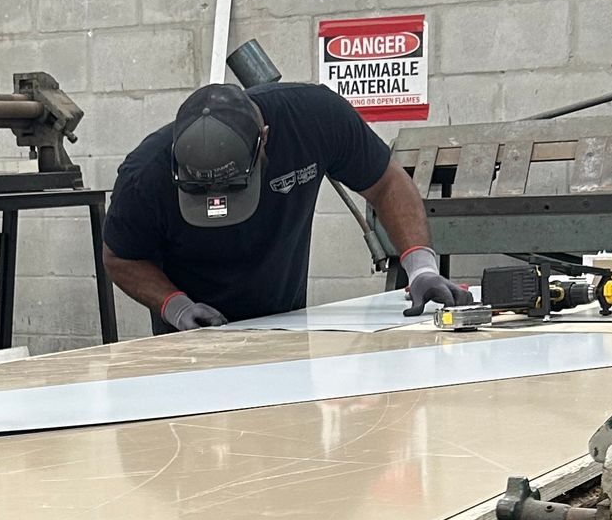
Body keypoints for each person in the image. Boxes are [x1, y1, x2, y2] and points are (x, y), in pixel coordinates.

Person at [103, 77, 459, 330]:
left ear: (265, 141)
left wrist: (420, 267)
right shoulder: (145, 174)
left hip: (284, 329)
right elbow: (120, 256)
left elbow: (387, 182)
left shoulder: (314, 119)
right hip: (191, 340)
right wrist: (175, 306)